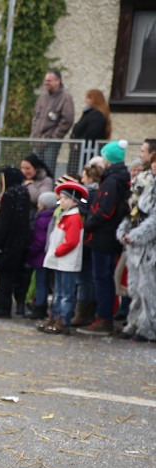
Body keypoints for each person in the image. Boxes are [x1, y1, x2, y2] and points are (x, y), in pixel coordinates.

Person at [78, 140, 131, 335]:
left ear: (108, 159)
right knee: (104, 278)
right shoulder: (117, 178)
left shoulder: (111, 180)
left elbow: (105, 211)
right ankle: (103, 316)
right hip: (107, 235)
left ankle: (104, 318)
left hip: (103, 236)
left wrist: (89, 223)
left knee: (102, 278)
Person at [117, 149, 156, 341]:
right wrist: (124, 231)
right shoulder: (144, 182)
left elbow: (154, 219)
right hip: (135, 245)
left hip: (150, 247)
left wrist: (135, 235)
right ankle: (133, 322)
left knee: (148, 288)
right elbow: (132, 211)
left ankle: (148, 327)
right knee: (135, 287)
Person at [0, 167, 33, 318]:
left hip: (8, 242)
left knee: (5, 276)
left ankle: (2, 307)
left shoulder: (10, 194)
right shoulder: (23, 192)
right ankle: (14, 305)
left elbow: (4, 222)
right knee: (15, 276)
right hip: (20, 241)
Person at [39, 182, 87, 334]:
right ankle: (55, 317)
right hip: (60, 262)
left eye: (65, 199)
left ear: (74, 201)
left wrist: (58, 252)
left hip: (67, 262)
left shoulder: (73, 218)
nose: (62, 202)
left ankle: (63, 320)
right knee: (58, 292)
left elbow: (71, 241)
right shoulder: (64, 215)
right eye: (61, 198)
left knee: (66, 293)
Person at [30, 71, 75, 170]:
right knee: (35, 169)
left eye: (49, 81)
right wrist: (34, 133)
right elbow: (35, 117)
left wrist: (54, 137)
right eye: (45, 80)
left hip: (51, 142)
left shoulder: (65, 97)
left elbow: (67, 120)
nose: (46, 83)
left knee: (47, 169)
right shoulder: (43, 97)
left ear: (57, 81)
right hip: (37, 140)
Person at [25, 192, 57, 320]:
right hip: (47, 255)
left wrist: (30, 251)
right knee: (48, 282)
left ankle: (40, 306)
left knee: (41, 282)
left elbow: (39, 239)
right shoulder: (53, 216)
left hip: (40, 257)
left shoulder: (41, 219)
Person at [68, 89, 111, 172]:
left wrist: (79, 143)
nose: (86, 100)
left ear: (95, 100)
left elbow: (92, 132)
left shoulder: (96, 115)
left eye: (89, 98)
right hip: (82, 151)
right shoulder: (90, 113)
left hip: (86, 152)